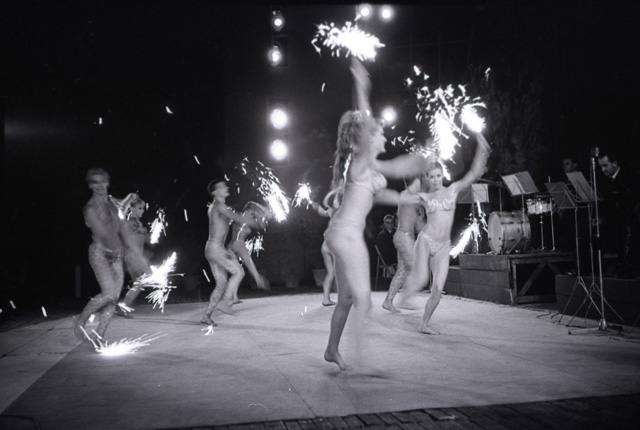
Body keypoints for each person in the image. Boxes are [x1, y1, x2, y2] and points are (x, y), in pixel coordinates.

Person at [323, 58, 431, 370]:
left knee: (347, 299)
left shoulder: (370, 172)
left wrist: (409, 194)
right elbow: (370, 124)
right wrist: (361, 85)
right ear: (367, 137)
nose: (382, 132)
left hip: (339, 234)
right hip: (346, 236)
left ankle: (331, 349)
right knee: (365, 300)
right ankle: (363, 361)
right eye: (378, 130)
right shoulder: (361, 161)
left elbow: (385, 191)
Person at [401, 132, 490, 335]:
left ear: (443, 176)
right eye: (431, 177)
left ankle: (424, 324)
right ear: (427, 178)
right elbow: (405, 193)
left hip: (443, 245)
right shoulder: (424, 195)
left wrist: (482, 149)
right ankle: (403, 297)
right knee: (422, 278)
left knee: (438, 289)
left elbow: (474, 173)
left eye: (438, 176)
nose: (435, 180)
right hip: (426, 239)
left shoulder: (453, 190)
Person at [73, 168, 127, 341]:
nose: (99, 185)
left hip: (116, 254)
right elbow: (103, 233)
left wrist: (130, 201)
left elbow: (122, 222)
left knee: (114, 299)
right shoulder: (89, 209)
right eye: (94, 182)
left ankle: (99, 336)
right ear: (90, 185)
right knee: (109, 293)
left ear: (107, 182)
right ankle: (81, 320)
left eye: (102, 181)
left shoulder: (112, 202)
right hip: (100, 254)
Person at [201, 179, 263, 326]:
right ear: (215, 192)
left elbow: (236, 218)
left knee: (221, 283)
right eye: (222, 187)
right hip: (215, 248)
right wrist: (258, 219)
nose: (226, 187)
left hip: (214, 248)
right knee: (239, 272)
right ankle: (225, 302)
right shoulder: (218, 206)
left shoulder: (218, 207)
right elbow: (237, 218)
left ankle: (206, 315)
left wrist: (253, 219)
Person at [382, 177, 426, 313]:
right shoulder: (408, 196)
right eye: (418, 182)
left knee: (403, 271)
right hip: (405, 237)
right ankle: (404, 299)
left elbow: (418, 224)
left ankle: (389, 301)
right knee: (415, 269)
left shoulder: (410, 198)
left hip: (404, 237)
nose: (420, 184)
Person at [597, 150, 640, 278]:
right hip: (616, 219)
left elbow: (631, 204)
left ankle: (626, 268)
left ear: (615, 163)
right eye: (601, 166)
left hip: (629, 219)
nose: (602, 170)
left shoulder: (628, 178)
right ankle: (592, 266)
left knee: (625, 231)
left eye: (605, 165)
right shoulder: (606, 181)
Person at [116, 194, 153, 316]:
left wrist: (148, 236)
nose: (142, 211)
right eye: (139, 208)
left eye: (143, 208)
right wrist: (128, 198)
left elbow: (143, 240)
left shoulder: (137, 223)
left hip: (135, 257)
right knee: (143, 280)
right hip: (134, 257)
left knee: (139, 283)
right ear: (132, 208)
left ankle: (122, 306)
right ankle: (122, 306)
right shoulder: (130, 222)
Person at [228, 201, 271, 303]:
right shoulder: (244, 217)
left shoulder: (242, 217)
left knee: (239, 273)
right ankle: (258, 279)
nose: (253, 215)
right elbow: (261, 225)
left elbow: (261, 224)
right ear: (248, 210)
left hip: (231, 246)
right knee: (249, 261)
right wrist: (264, 214)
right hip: (238, 244)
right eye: (252, 213)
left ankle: (234, 297)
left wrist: (263, 215)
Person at [310, 187, 343, 306]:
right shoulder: (343, 211)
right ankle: (344, 298)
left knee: (331, 273)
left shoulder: (331, 210)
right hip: (334, 244)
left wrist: (316, 205)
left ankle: (326, 299)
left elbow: (321, 212)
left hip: (326, 245)